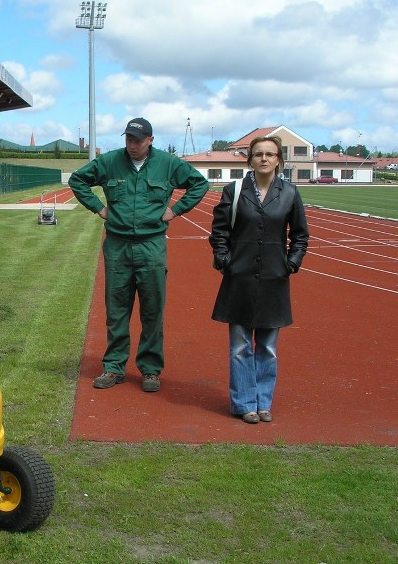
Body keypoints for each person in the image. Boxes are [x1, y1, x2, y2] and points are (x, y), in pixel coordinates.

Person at [69, 117, 209, 393]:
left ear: (150, 140)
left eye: (137, 140)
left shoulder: (168, 164)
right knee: (117, 309)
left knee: (152, 310)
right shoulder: (110, 161)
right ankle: (114, 367)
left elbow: (198, 184)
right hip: (118, 245)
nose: (131, 145)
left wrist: (176, 210)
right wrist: (98, 207)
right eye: (128, 139)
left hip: (151, 246)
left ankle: (150, 369)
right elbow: (78, 180)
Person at [209, 136, 309, 424]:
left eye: (270, 154)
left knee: (267, 347)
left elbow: (300, 235)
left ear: (279, 159)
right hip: (239, 278)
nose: (264, 159)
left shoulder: (289, 193)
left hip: (274, 280)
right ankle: (244, 403)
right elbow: (219, 231)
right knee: (240, 346)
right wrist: (225, 259)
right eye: (258, 154)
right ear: (250, 159)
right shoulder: (235, 190)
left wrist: (291, 263)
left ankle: (264, 401)